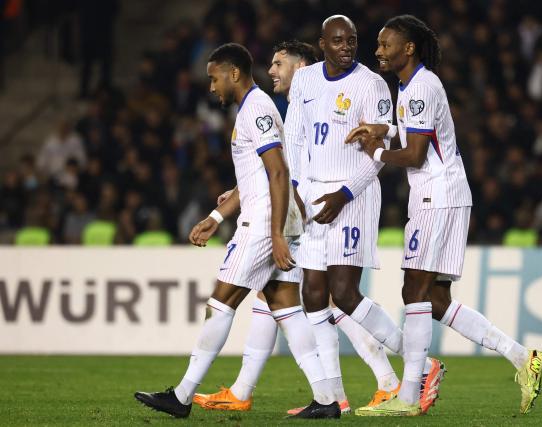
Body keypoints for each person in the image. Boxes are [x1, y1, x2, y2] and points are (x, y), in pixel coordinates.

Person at [345, 15, 542, 416]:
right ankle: (523, 357)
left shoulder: (419, 88)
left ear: (409, 48)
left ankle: (407, 398)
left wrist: (377, 151)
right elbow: (419, 135)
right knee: (436, 300)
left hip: (435, 197)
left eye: (386, 45)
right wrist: (383, 129)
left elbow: (416, 154)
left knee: (413, 292)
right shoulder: (412, 85)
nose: (378, 51)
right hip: (448, 194)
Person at [194, 40, 405, 414]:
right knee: (280, 297)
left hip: (310, 209)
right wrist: (229, 204)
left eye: (279, 63)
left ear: (303, 67)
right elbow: (274, 169)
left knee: (325, 299)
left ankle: (384, 378)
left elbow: (282, 171)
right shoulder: (292, 109)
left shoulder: (308, 105)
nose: (272, 70)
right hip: (298, 210)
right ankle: (254, 390)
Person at [133, 43, 340, 419]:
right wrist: (216, 215)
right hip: (274, 218)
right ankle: (326, 399)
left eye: (214, 78)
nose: (212, 87)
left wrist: (276, 234)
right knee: (286, 307)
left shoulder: (256, 109)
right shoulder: (253, 109)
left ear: (234, 74)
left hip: (264, 223)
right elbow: (255, 177)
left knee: (221, 300)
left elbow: (278, 172)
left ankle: (181, 396)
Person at [285, 15, 445, 415]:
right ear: (322, 43)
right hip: (312, 193)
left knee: (344, 292)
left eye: (352, 41)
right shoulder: (304, 81)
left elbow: (373, 157)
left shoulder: (373, 85)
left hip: (352, 195)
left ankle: (420, 365)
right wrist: (298, 192)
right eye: (338, 41)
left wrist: (343, 194)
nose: (347, 47)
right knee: (313, 295)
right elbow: (295, 137)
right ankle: (330, 399)